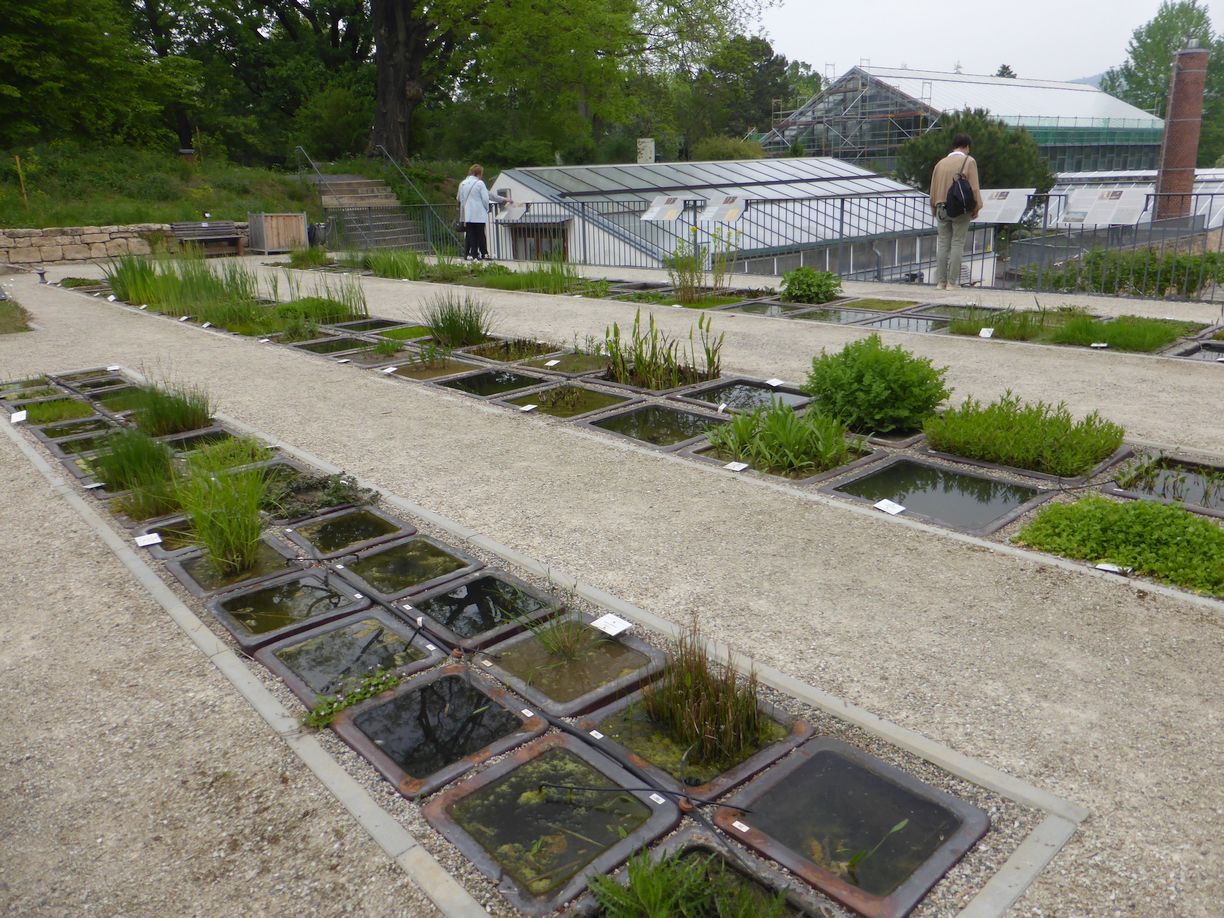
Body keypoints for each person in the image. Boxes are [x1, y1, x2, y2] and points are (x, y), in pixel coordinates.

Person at [929, 133, 982, 289]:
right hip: (959, 208)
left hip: (941, 207)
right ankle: (952, 282)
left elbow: (932, 188)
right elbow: (974, 187)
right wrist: (976, 207)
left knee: (943, 243)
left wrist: (934, 207)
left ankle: (941, 282)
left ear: (953, 145)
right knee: (957, 243)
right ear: (966, 146)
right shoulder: (969, 161)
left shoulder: (941, 163)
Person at [456, 164, 508, 260]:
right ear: (479, 173)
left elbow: (460, 198)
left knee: (471, 234)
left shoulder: (463, 184)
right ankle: (484, 254)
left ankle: (474, 255)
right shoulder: (480, 183)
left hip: (468, 214)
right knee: (480, 234)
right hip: (478, 214)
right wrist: (486, 208)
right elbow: (485, 198)